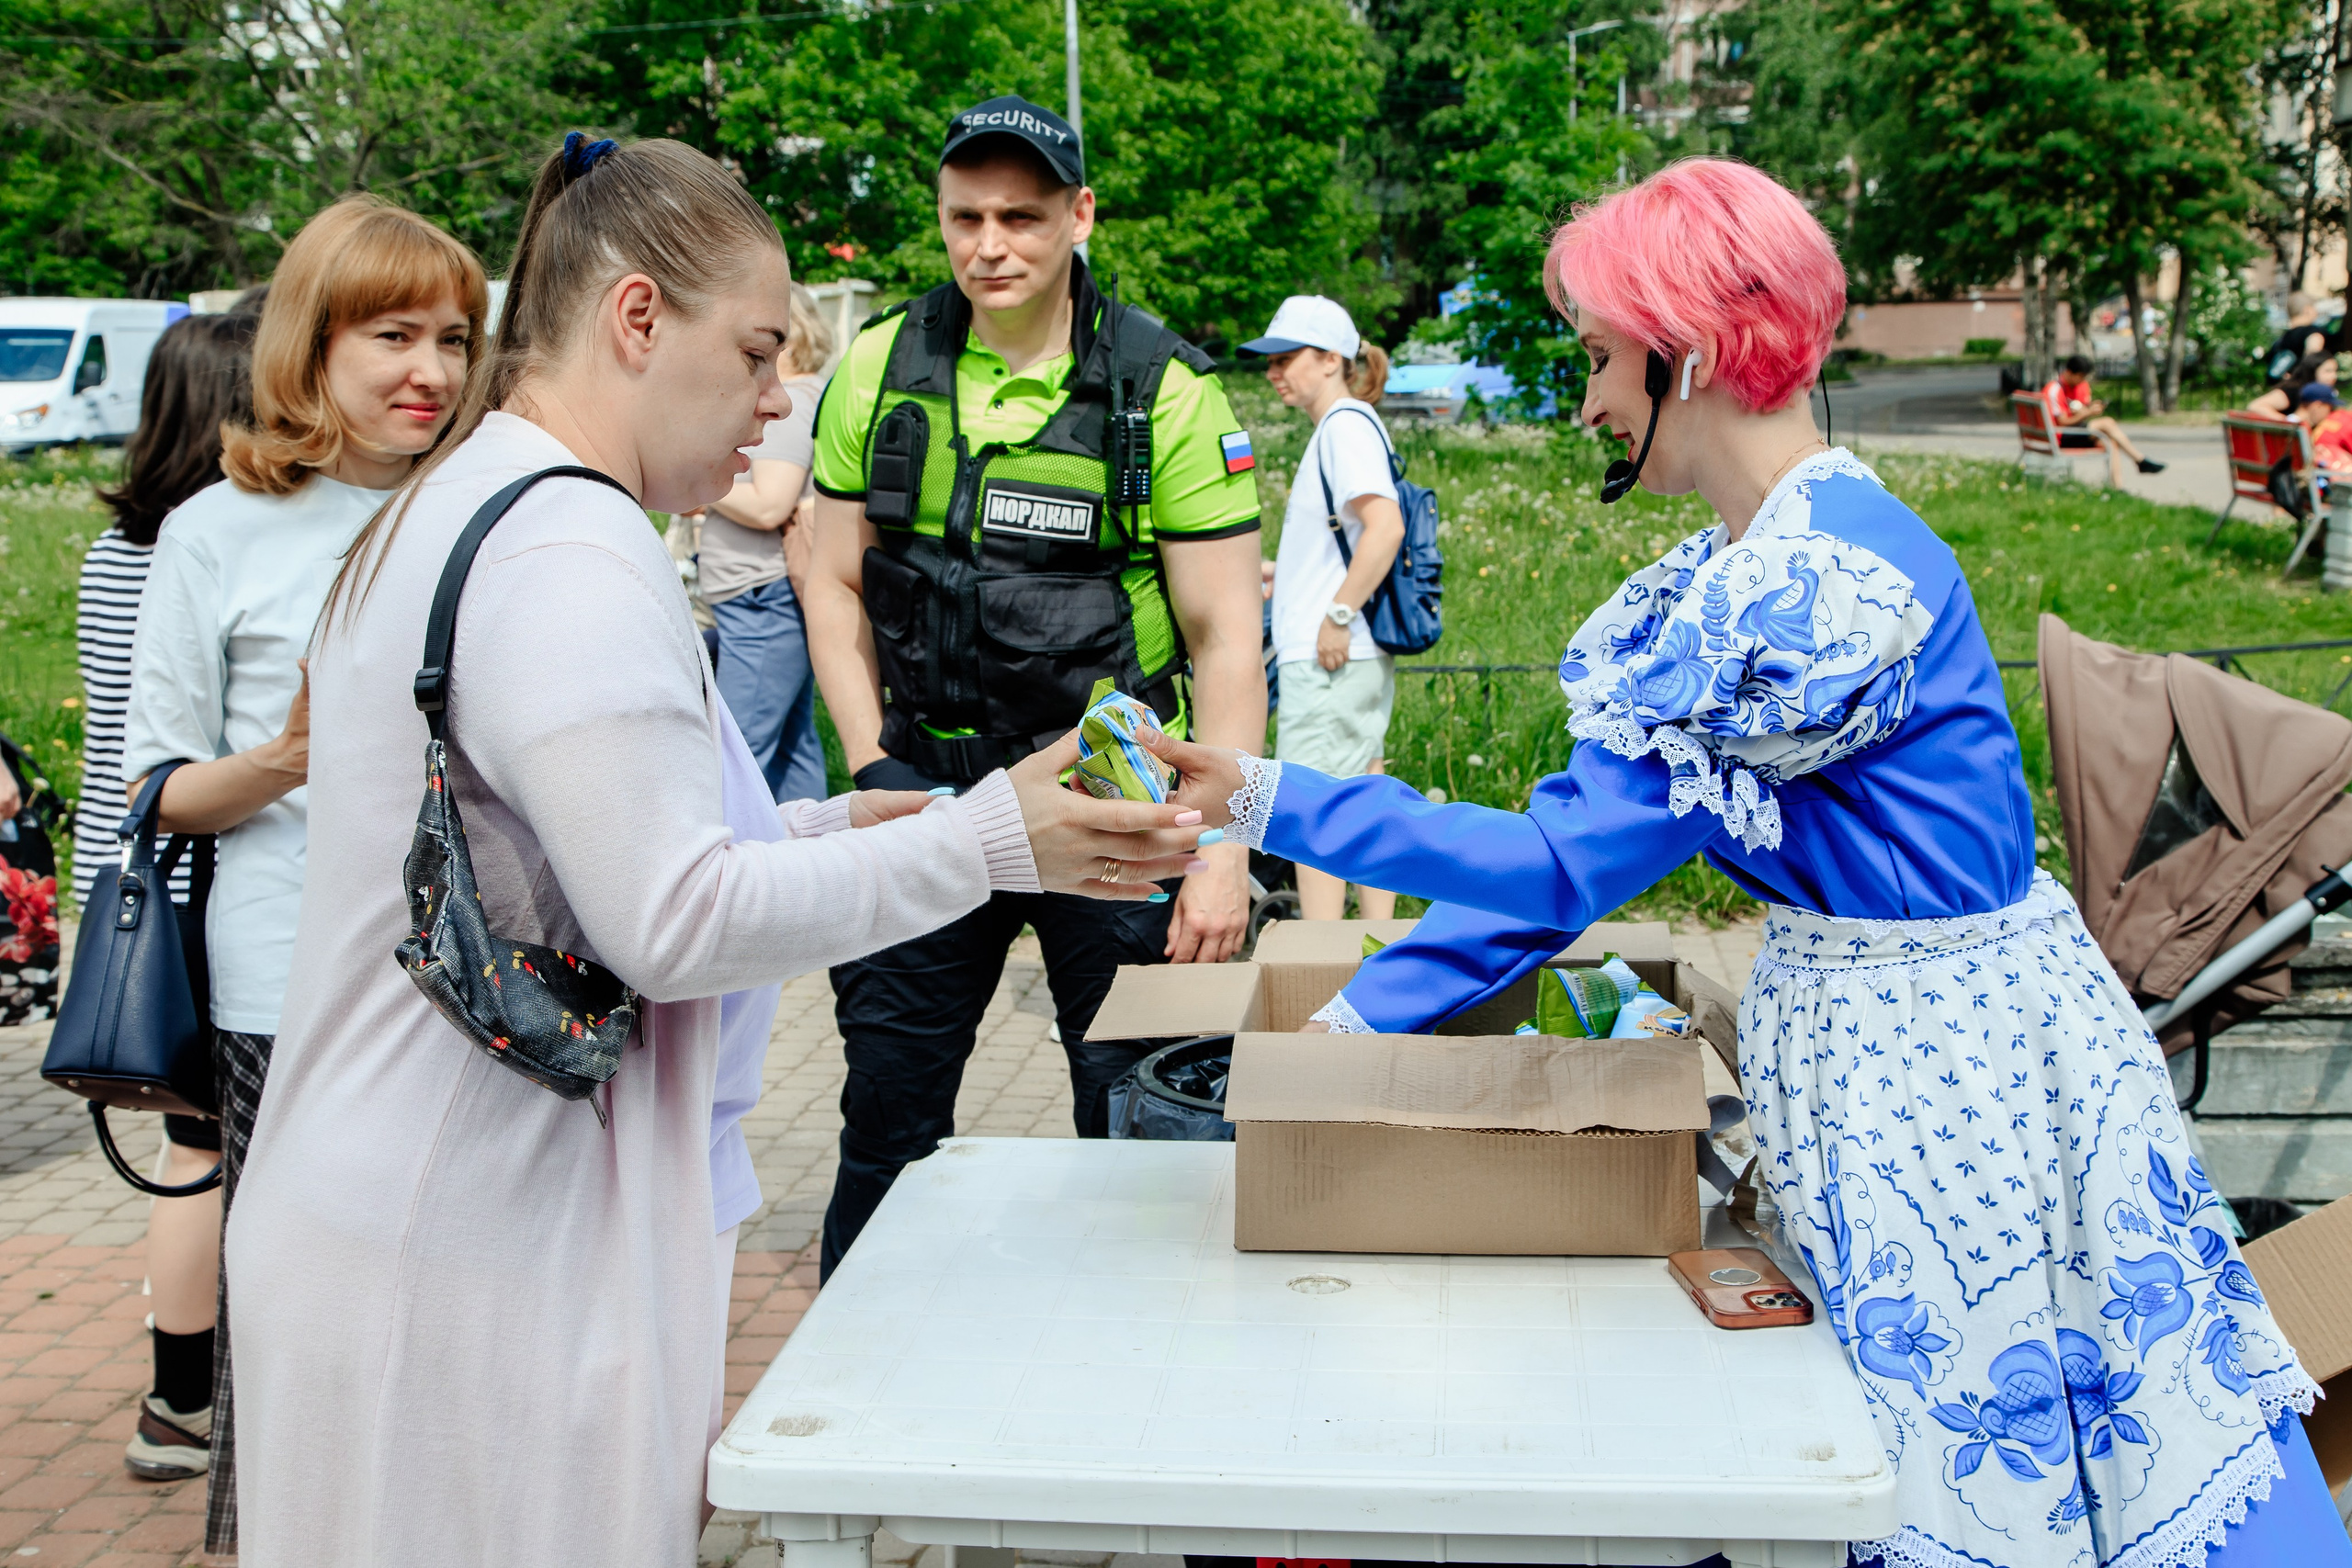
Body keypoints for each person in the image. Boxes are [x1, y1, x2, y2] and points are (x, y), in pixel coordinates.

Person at [1148, 157, 2346, 1568]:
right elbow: (1573, 860)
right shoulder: (1760, 573)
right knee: (2017, 1433)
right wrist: (1352, 1027)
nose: (1588, 399)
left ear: (1691, 351)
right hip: (1930, 1054)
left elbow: (1547, 868)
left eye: (1600, 357)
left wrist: (1270, 799)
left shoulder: (1806, 590)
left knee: (1983, 1449)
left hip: (1955, 1076)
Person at [224, 132, 1205, 1568]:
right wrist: (993, 838)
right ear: (636, 319)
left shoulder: (487, 496)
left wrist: (839, 824)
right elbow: (671, 916)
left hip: (426, 1209)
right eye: (755, 353)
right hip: (470, 1243)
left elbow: (596, 843)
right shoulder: (568, 545)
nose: (775, 406)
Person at [802, 96, 1264, 1275]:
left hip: (1113, 798)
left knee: (1137, 1122)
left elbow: (1223, 638)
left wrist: (1219, 852)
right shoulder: (878, 366)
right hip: (930, 794)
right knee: (887, 1121)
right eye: (966, 217)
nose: (989, 245)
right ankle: (857, 1397)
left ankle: (1139, 1391)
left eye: (1021, 216)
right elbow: (831, 579)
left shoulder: (1163, 388)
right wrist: (871, 764)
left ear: (1079, 216)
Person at [121, 198, 486, 1557]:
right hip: (286, 991)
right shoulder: (218, 530)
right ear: (309, 344)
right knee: (300, 1317)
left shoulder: (482, 509)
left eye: (453, 338)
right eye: (392, 334)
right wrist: (286, 755)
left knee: (448, 1298)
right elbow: (158, 787)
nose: (430, 371)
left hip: (472, 983)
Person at [80, 300, 264, 1492]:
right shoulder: (207, 547)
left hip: (119, 878)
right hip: (191, 881)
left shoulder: (113, 550)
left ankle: (175, 1393)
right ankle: (194, 1397)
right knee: (210, 1150)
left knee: (189, 1143)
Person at [1241, 294, 1403, 920]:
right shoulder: (1346, 425)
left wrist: (1335, 614)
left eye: (1287, 358)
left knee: (1316, 810)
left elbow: (1383, 527)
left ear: (1331, 358)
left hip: (1331, 653)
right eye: (1270, 360)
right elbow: (1357, 540)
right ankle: (1373, 945)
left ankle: (1326, 955)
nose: (1274, 371)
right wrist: (1296, 579)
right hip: (1343, 650)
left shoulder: (1343, 426)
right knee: (1364, 799)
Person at [696, 278, 835, 803]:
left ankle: (729, 870)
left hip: (761, 598)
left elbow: (770, 503)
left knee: (738, 758)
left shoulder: (790, 404)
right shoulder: (811, 396)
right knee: (794, 747)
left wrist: (704, 486)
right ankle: (815, 862)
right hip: (770, 598)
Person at [2041, 354, 2164, 482]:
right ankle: (2140, 460)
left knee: (2111, 442)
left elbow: (2079, 408)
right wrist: (2087, 413)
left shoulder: (2076, 387)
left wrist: (2088, 409)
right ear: (2070, 372)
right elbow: (2063, 422)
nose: (2082, 381)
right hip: (2059, 436)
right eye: (2081, 377)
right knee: (2107, 423)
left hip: (2069, 433)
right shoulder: (2054, 390)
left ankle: (2118, 487)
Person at [2246, 349, 2338, 418]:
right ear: (2312, 371)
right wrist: (2289, 424)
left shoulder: (2327, 393)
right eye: (2328, 371)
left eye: (2335, 371)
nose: (2334, 376)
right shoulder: (2294, 389)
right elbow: (2256, 406)